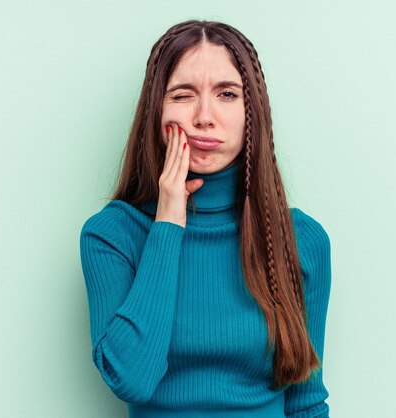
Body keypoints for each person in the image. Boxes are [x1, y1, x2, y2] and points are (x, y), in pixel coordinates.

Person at [79, 19, 332, 418]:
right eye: (182, 95)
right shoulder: (111, 236)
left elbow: (306, 401)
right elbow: (131, 380)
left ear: (252, 112)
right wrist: (168, 222)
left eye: (227, 94)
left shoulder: (300, 240)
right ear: (155, 111)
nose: (203, 116)